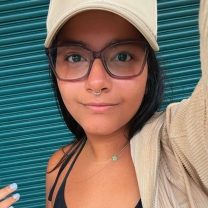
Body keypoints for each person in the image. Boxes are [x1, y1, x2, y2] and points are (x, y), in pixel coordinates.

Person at [1, 0, 207, 207]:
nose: (96, 82)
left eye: (122, 56)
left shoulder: (181, 149)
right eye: (74, 57)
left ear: (148, 71)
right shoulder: (59, 166)